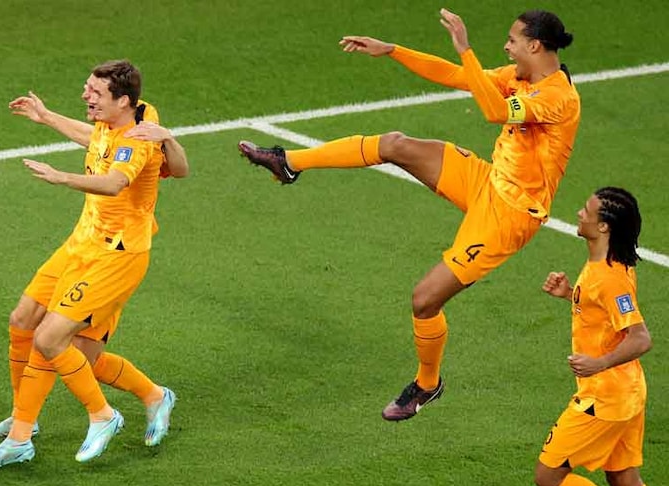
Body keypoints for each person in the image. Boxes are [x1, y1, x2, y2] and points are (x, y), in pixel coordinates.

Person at [238, 9, 579, 421]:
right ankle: (288, 161)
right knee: (396, 144)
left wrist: (466, 49)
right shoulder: (521, 77)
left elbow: (493, 111)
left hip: (509, 215)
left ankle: (428, 383)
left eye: (512, 40)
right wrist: (392, 51)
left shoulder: (558, 98)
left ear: (535, 46)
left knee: (424, 300)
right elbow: (457, 77)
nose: (506, 46)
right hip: (487, 180)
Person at [0, 60, 183, 469]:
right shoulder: (129, 116)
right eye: (87, 88)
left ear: (123, 100)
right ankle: (25, 424)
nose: (86, 96)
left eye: (94, 92)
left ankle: (100, 417)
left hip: (116, 255)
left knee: (54, 343)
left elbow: (115, 182)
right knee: (24, 321)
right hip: (82, 241)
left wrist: (60, 178)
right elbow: (96, 141)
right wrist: (47, 117)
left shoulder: (141, 137)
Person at [537, 187, 669, 486]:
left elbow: (640, 337)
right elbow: (605, 314)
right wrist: (571, 296)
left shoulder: (610, 279)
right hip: (628, 392)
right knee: (624, 477)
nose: (579, 213)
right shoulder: (605, 266)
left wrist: (598, 363)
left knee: (548, 475)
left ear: (604, 226)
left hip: (606, 397)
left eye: (587, 210)